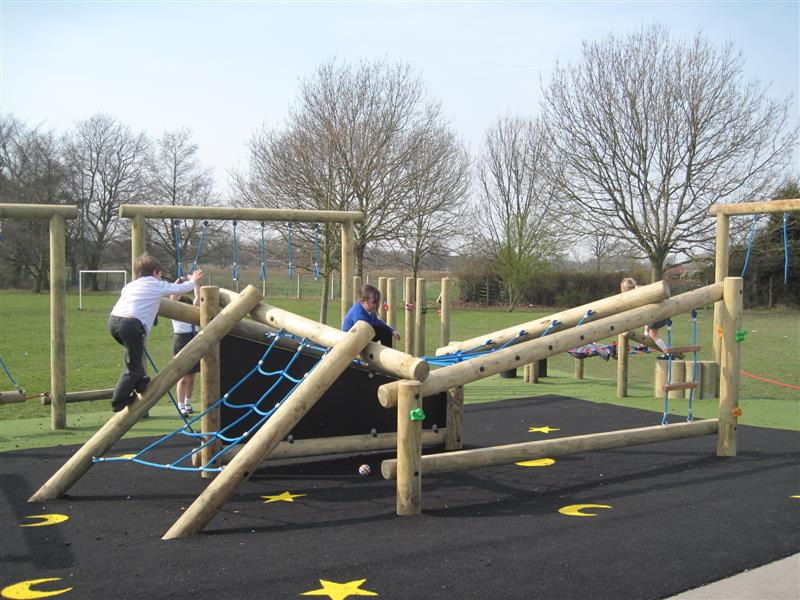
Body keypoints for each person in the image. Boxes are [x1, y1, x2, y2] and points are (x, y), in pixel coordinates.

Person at [108, 255, 203, 412]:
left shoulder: (130, 285)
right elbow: (180, 289)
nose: (160, 278)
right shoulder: (155, 285)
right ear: (156, 273)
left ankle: (140, 383)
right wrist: (193, 280)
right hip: (131, 325)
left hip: (113, 323)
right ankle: (118, 401)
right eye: (160, 274)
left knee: (134, 358)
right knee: (133, 366)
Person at [170, 284, 201, 416]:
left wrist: (195, 283)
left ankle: (188, 402)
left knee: (191, 377)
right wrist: (178, 284)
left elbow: (199, 297)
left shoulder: (195, 313)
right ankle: (180, 405)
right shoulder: (176, 315)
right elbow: (172, 300)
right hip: (181, 342)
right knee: (183, 377)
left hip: (194, 341)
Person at [620, 276, 669, 353]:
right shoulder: (640, 289)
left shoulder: (637, 292)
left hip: (657, 313)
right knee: (647, 327)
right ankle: (643, 345)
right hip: (660, 311)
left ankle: (668, 352)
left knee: (653, 335)